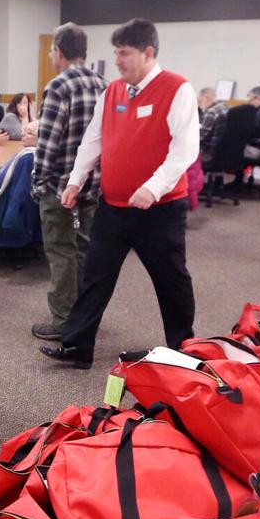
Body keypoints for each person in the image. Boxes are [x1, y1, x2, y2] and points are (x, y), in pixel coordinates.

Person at [41, 18, 199, 369]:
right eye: (115, 53)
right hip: (114, 207)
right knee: (96, 275)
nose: (118, 60)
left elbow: (185, 150)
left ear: (148, 53)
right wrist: (74, 180)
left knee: (170, 278)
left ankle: (184, 346)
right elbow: (93, 139)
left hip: (159, 209)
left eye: (124, 53)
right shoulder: (112, 91)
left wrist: (152, 187)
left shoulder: (177, 89)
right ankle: (77, 345)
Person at [29, 22, 108, 342]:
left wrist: (37, 182)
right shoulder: (104, 84)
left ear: (59, 51)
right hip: (94, 183)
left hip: (60, 186)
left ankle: (63, 318)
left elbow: (47, 143)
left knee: (61, 251)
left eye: (51, 50)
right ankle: (84, 314)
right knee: (85, 250)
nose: (50, 55)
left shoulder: (59, 86)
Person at [197, 88, 229, 159]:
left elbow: (200, 137)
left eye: (200, 100)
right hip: (223, 149)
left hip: (208, 152)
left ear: (206, 98)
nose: (200, 104)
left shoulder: (211, 112)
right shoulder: (225, 107)